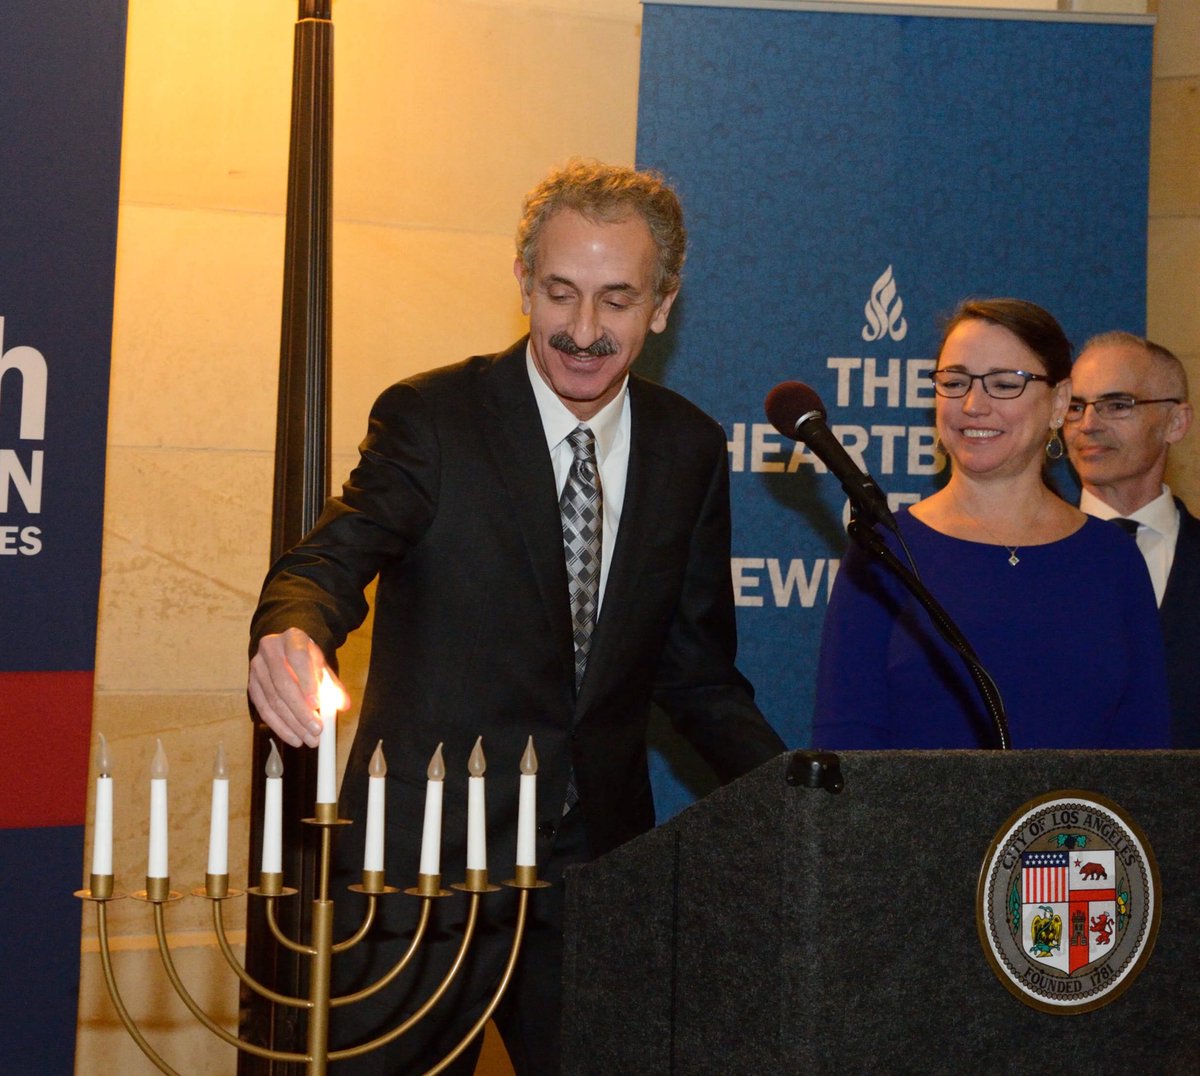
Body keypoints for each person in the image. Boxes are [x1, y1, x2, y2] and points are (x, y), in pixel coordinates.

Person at [247, 159, 785, 1074]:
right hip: (419, 875)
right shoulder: (434, 418)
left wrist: (793, 788)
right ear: (523, 283)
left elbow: (694, 673)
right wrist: (291, 629)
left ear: (662, 305)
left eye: (617, 300)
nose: (583, 331)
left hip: (595, 880)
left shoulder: (690, 447)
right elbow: (328, 561)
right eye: (561, 293)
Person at [812, 298, 1169, 750]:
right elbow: (844, 745)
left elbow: (1146, 752)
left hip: (1075, 823)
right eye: (954, 382)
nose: (973, 405)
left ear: (1059, 402)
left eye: (1004, 384)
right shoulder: (885, 549)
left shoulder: (1112, 559)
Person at [1064, 331, 1199, 748]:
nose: (1088, 424)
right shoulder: (1017, 557)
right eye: (1075, 406)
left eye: (1117, 405)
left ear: (1176, 422)